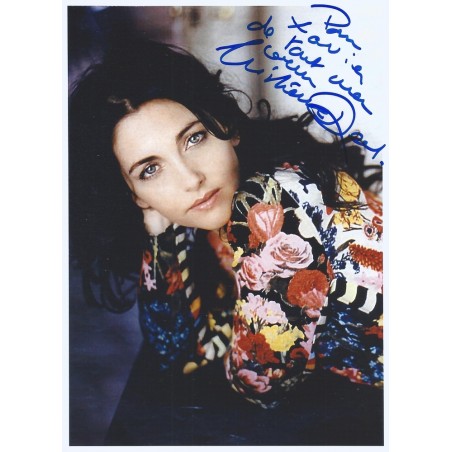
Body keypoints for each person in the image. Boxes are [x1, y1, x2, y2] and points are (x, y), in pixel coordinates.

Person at [69, 36, 383, 445]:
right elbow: (173, 349)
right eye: (150, 170)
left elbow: (260, 384)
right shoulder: (219, 216)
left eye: (193, 138)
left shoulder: (271, 204)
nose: (190, 178)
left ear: (227, 127)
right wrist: (158, 230)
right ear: (133, 195)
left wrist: (221, 339)